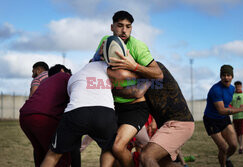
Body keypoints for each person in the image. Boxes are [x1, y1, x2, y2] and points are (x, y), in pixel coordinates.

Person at [94, 10, 163, 167]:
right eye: (120, 26)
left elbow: (158, 74)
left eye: (128, 26)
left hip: (135, 107)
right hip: (112, 106)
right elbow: (93, 64)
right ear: (112, 27)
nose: (124, 30)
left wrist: (135, 66)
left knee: (118, 147)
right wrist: (97, 57)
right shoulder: (105, 41)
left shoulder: (138, 47)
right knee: (108, 150)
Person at [112, 61, 194, 167]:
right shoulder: (142, 74)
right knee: (164, 163)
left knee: (147, 156)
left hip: (178, 123)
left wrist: (112, 90)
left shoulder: (152, 69)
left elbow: (137, 92)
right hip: (169, 124)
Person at [40, 61, 118, 167]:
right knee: (108, 150)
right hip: (104, 111)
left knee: (53, 155)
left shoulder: (74, 76)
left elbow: (71, 96)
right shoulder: (107, 68)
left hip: (76, 111)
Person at [19, 64, 74, 167]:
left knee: (42, 155)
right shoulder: (65, 76)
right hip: (43, 117)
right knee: (60, 157)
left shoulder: (46, 82)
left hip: (25, 116)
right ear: (63, 71)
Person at [203, 65, 243, 167]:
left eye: (228, 75)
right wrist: (240, 109)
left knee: (233, 145)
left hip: (224, 119)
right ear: (220, 77)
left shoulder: (232, 89)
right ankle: (223, 165)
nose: (226, 77)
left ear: (232, 77)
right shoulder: (216, 90)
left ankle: (225, 158)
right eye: (223, 75)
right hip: (211, 120)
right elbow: (222, 110)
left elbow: (227, 104)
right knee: (223, 147)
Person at [231, 81, 243, 154]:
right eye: (236, 86)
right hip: (235, 117)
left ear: (241, 86)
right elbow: (229, 105)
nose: (238, 87)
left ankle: (241, 147)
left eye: (239, 86)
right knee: (237, 132)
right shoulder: (232, 95)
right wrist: (232, 109)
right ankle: (240, 146)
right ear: (235, 87)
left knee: (242, 132)